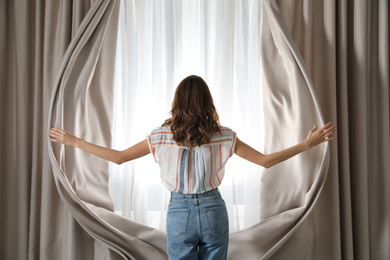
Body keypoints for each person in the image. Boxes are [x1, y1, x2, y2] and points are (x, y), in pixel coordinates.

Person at [49, 75, 336, 260]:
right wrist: (306, 145)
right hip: (214, 209)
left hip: (179, 212)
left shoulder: (159, 136)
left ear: (177, 103)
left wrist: (74, 141)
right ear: (207, 103)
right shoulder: (224, 135)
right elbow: (265, 161)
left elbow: (119, 158)